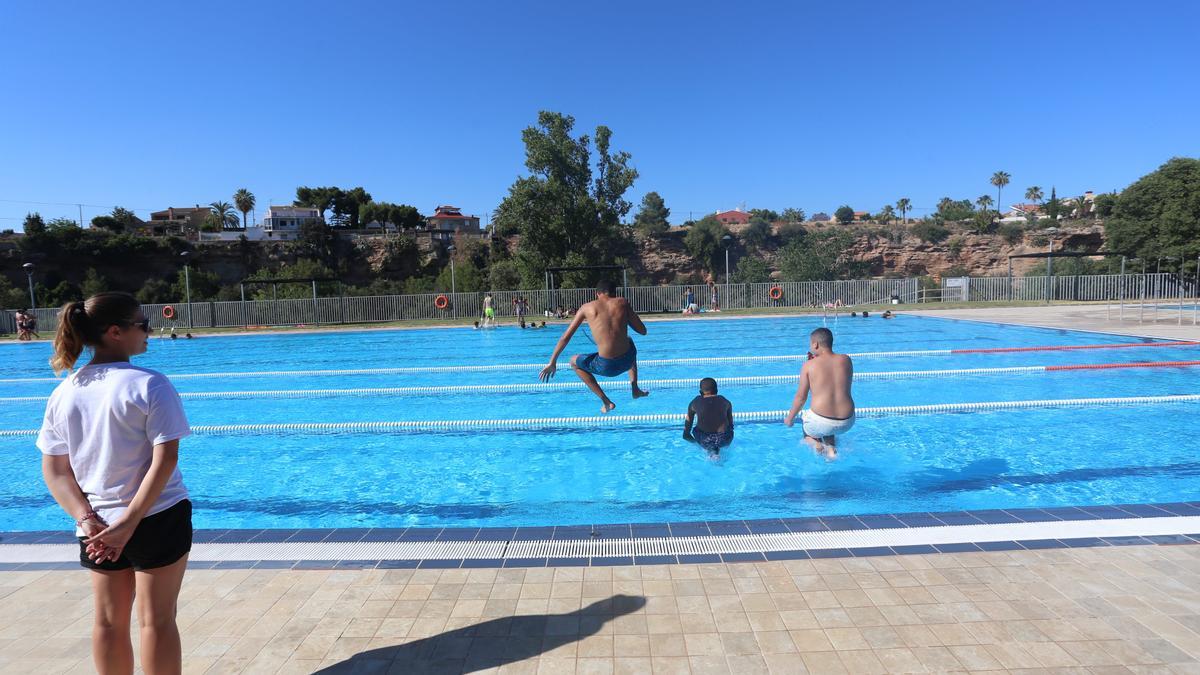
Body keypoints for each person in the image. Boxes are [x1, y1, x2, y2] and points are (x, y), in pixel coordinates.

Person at [38, 292, 192, 675]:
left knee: (107, 622)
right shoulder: (149, 384)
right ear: (115, 332)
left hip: (97, 528)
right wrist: (130, 522)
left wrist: (87, 519)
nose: (148, 331)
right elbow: (165, 459)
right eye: (142, 324)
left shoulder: (65, 391)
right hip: (156, 516)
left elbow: (55, 471)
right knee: (156, 621)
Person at [539, 280, 649, 413]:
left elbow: (565, 337)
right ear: (614, 293)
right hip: (626, 361)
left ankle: (606, 402)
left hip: (606, 367)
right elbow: (643, 331)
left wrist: (552, 362)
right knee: (630, 340)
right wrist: (624, 317)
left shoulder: (587, 308)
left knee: (573, 361)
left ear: (597, 293)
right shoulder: (622, 302)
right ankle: (635, 388)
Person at [784, 327, 855, 459]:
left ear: (815, 344)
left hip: (821, 422)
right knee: (828, 423)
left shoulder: (809, 365)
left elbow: (801, 398)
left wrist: (790, 419)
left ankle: (814, 443)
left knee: (811, 428)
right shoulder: (846, 360)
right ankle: (831, 448)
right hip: (848, 421)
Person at [683, 378, 734, 458]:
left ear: (700, 392)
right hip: (724, 439)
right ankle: (716, 450)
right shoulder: (725, 401)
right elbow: (731, 426)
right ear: (717, 390)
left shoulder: (695, 402)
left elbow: (686, 435)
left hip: (705, 440)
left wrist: (697, 444)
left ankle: (711, 451)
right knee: (727, 430)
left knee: (696, 430)